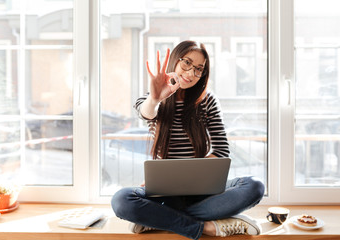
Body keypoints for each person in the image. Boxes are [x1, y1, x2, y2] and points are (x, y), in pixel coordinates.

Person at [111, 40, 265, 240]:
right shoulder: (153, 98)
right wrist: (156, 98)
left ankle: (157, 220)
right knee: (122, 200)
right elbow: (146, 113)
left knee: (255, 186)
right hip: (164, 193)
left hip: (201, 190)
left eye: (199, 69)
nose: (191, 73)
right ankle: (207, 227)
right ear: (175, 61)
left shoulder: (208, 101)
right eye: (186, 63)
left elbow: (221, 150)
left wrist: (193, 178)